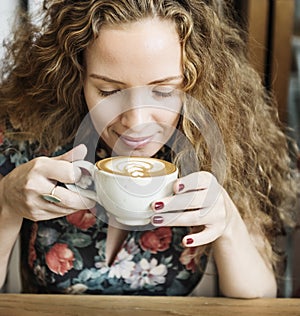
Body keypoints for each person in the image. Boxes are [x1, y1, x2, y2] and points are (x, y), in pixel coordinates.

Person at [0, 0, 298, 298]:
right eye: (109, 91)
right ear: (76, 73)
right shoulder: (27, 132)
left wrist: (229, 223)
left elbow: (261, 299)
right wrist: (6, 205)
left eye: (162, 91)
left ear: (195, 80)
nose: (135, 122)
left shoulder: (226, 138)